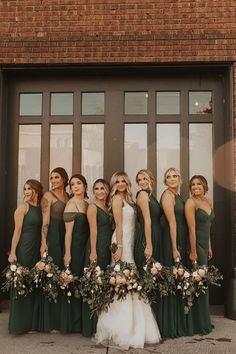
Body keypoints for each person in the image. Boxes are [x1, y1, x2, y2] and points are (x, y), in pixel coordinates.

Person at [95, 171, 161, 349]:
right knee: (123, 280)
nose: (121, 183)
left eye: (124, 180)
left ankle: (134, 326)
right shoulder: (117, 199)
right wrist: (120, 248)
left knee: (129, 281)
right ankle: (122, 328)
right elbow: (118, 225)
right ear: (114, 184)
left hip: (130, 242)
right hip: (121, 243)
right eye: (118, 181)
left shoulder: (130, 199)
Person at [8, 179, 43, 334]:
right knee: (22, 283)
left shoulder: (40, 207)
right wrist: (13, 252)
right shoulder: (23, 207)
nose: (27, 192)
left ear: (37, 190)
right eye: (25, 189)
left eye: (30, 189)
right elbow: (17, 231)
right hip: (24, 248)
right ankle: (18, 324)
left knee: (33, 283)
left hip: (36, 249)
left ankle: (30, 323)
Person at [39, 167, 69, 332]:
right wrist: (44, 242)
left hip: (66, 237)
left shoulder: (68, 196)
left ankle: (62, 319)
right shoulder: (48, 196)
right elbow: (45, 221)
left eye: (56, 177)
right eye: (51, 177)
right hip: (53, 237)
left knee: (63, 276)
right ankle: (50, 322)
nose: (53, 180)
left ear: (64, 179)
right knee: (52, 274)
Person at [134, 169, 163, 333]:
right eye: (139, 179)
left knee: (151, 278)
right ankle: (144, 325)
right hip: (147, 238)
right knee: (145, 278)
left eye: (145, 178)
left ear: (151, 179)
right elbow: (147, 220)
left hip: (155, 236)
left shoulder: (150, 195)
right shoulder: (143, 195)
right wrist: (149, 245)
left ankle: (152, 322)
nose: (142, 181)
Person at [160, 167, 189, 337]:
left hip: (180, 238)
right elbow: (172, 223)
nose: (171, 179)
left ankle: (178, 320)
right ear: (165, 181)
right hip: (172, 240)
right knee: (173, 278)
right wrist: (174, 248)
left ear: (180, 179)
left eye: (175, 176)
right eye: (168, 177)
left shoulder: (178, 196)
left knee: (178, 279)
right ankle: (169, 323)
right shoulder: (167, 195)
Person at [82, 178, 112, 337]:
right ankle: (90, 325)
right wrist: (93, 251)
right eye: (97, 189)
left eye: (103, 188)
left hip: (107, 248)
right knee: (95, 282)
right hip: (96, 246)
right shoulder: (92, 207)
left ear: (107, 191)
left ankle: (102, 321)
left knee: (103, 284)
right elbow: (93, 231)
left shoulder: (107, 207)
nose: (100, 191)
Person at [185, 175, 214, 335]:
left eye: (199, 184)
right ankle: (196, 323)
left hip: (205, 245)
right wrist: (194, 251)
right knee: (197, 282)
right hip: (196, 245)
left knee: (203, 281)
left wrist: (209, 245)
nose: (196, 187)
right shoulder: (191, 202)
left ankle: (204, 319)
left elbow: (207, 226)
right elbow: (191, 228)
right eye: (193, 184)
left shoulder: (208, 201)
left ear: (204, 186)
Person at [61, 174, 90, 333]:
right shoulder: (71, 204)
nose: (76, 186)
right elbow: (68, 233)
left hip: (86, 247)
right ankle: (73, 323)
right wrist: (67, 253)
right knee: (74, 281)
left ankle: (81, 320)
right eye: (72, 184)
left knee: (82, 281)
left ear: (85, 185)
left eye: (79, 183)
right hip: (75, 248)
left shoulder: (86, 203)